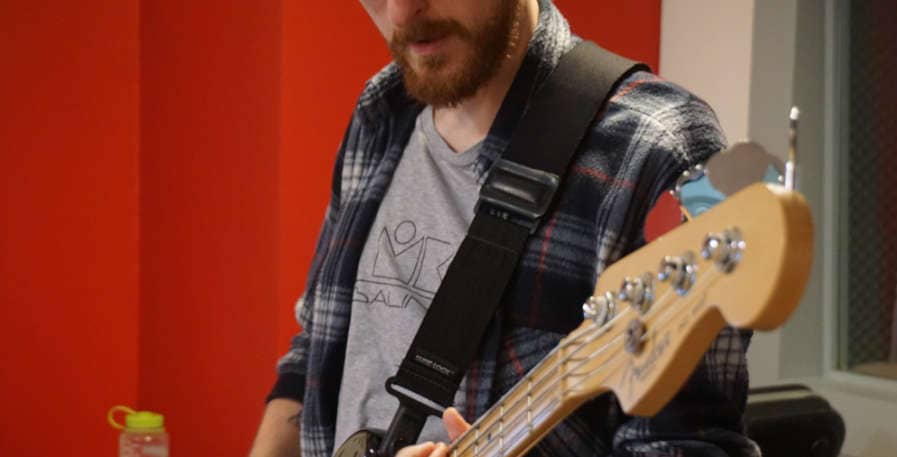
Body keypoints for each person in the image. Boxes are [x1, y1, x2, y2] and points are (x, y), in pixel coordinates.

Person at [250, 1, 757, 456]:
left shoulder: (667, 148)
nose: (401, 13)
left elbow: (691, 444)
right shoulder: (381, 111)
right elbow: (314, 349)